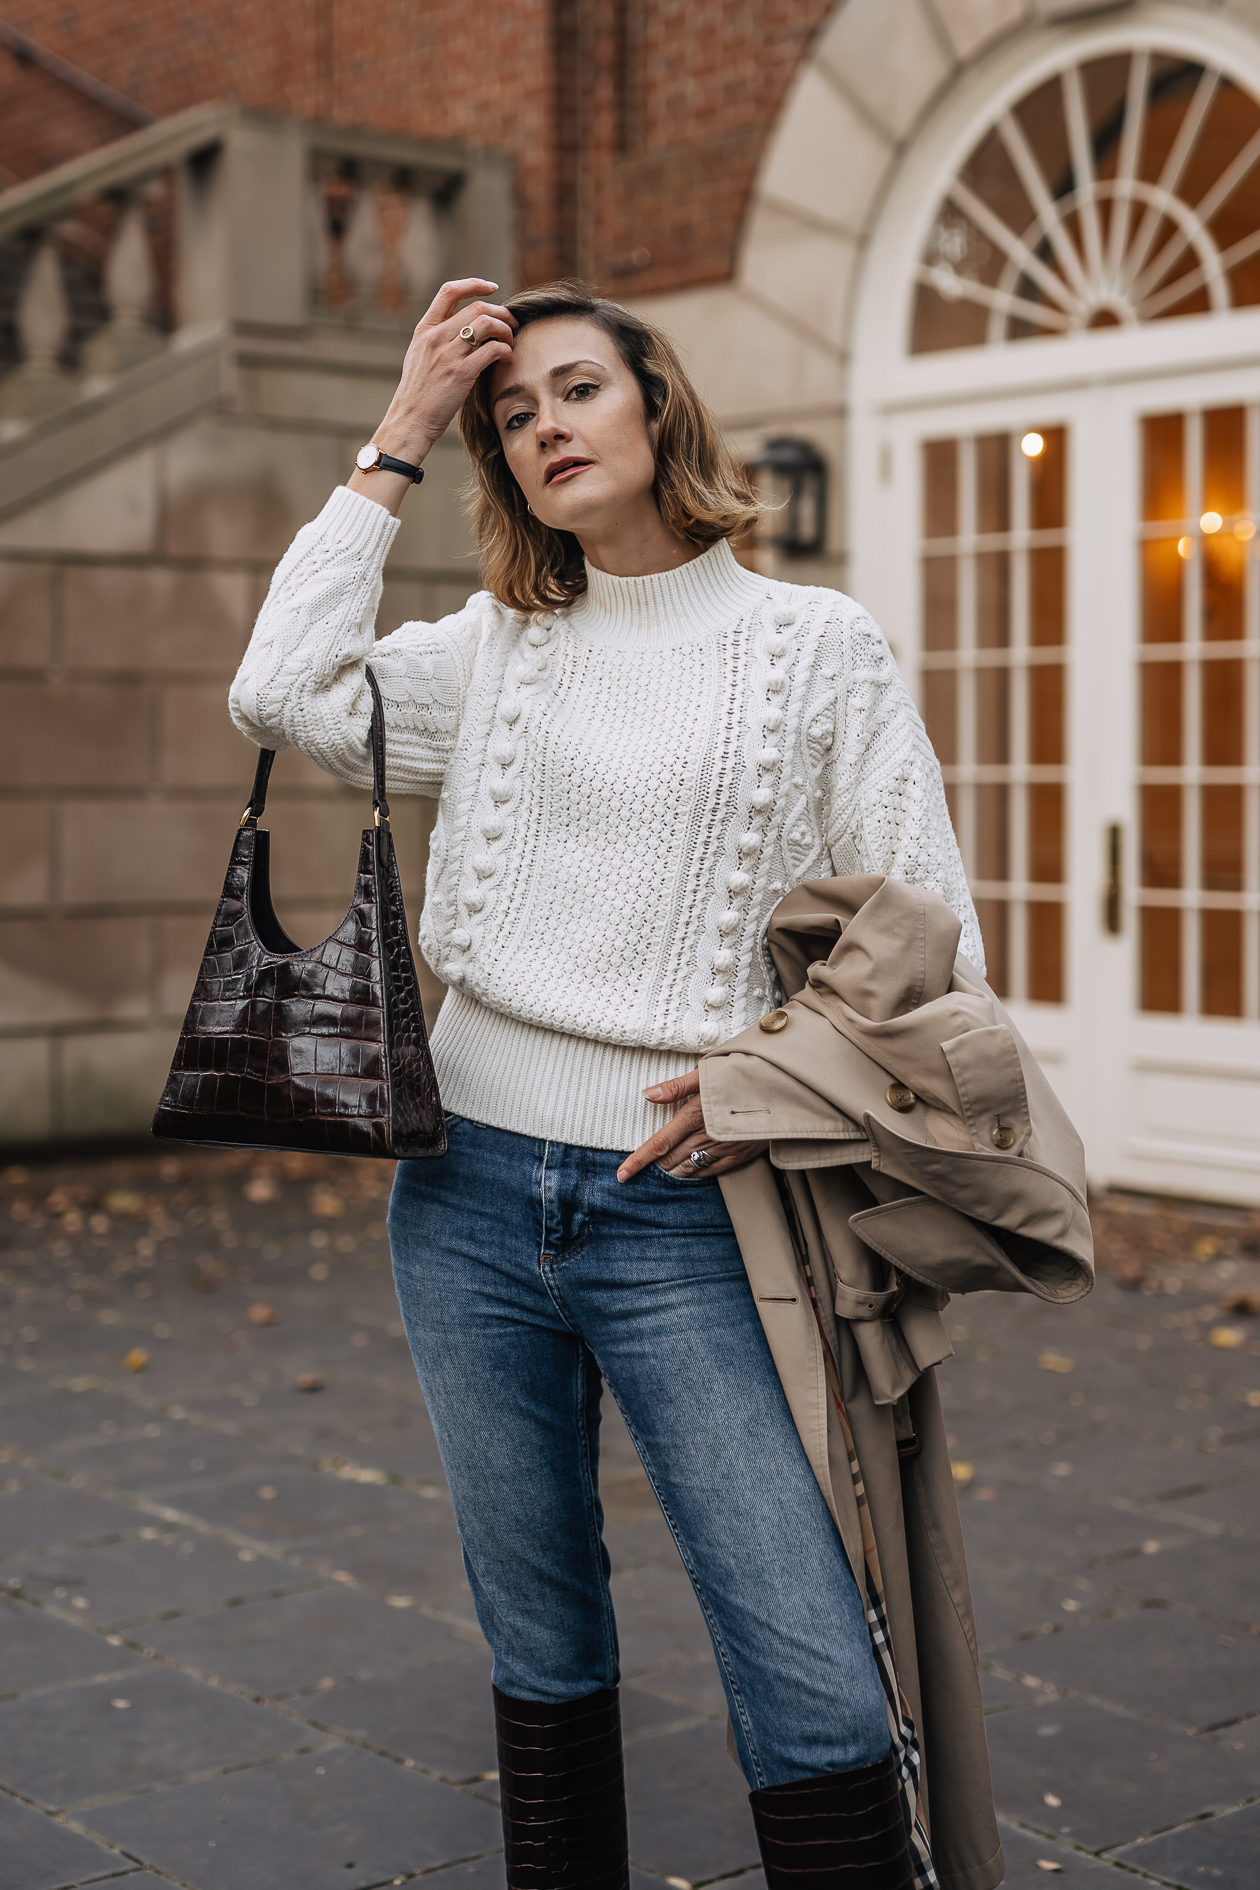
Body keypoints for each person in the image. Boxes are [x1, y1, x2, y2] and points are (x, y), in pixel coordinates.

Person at [229, 276, 984, 1889]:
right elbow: (279, 692)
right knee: (541, 1635)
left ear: (658, 410)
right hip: (466, 1197)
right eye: (518, 414)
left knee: (809, 1658)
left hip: (686, 1215)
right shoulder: (500, 647)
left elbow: (933, 936)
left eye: (577, 389)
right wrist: (405, 429)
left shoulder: (813, 648)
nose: (546, 425)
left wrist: (776, 1080)